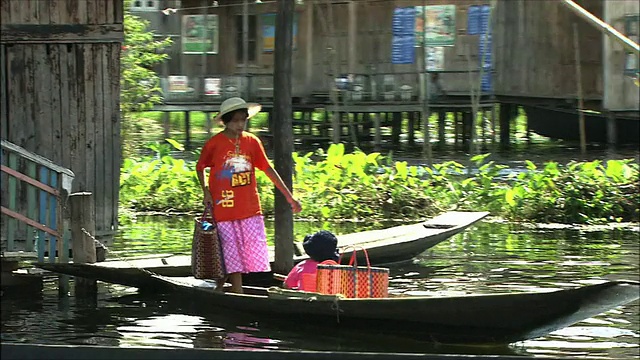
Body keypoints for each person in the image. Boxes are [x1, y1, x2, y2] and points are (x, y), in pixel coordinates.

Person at [196, 97, 302, 294]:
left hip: (249, 206)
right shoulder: (215, 143)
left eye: (242, 120)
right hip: (224, 205)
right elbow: (200, 166)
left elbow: (267, 169)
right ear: (226, 121)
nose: (239, 125)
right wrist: (206, 192)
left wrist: (289, 197)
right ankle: (238, 291)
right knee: (230, 250)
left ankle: (221, 286)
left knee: (243, 251)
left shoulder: (252, 142)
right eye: (235, 121)